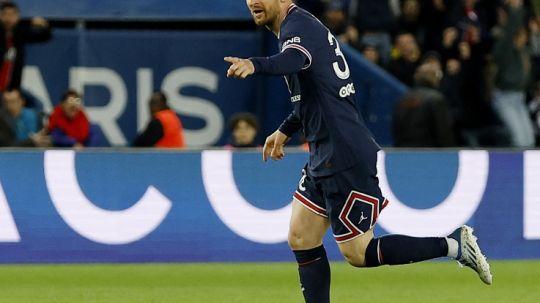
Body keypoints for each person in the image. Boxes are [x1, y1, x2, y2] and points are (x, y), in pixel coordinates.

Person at [225, 1, 492, 302]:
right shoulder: (299, 25)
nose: (252, 1)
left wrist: (255, 64)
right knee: (301, 236)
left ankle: (454, 245)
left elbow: (293, 60)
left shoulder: (297, 28)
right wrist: (285, 129)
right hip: (325, 150)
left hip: (343, 152)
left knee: (359, 252)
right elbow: (319, 94)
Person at [492, 0, 535, 147]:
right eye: (519, 33)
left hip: (519, 99)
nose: (523, 36)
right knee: (521, 141)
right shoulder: (505, 48)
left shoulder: (525, 51)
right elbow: (509, 32)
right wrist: (516, 9)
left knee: (529, 140)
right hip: (505, 98)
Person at [393, 63, 456, 147]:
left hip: (404, 151)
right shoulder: (436, 99)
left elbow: (396, 129)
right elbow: (443, 132)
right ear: (432, 77)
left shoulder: (403, 99)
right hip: (429, 152)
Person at [0, 1, 51, 92]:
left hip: (13, 85)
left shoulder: (20, 32)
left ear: (18, 16)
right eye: (6, 14)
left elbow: (45, 36)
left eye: (13, 14)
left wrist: (43, 25)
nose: (9, 18)